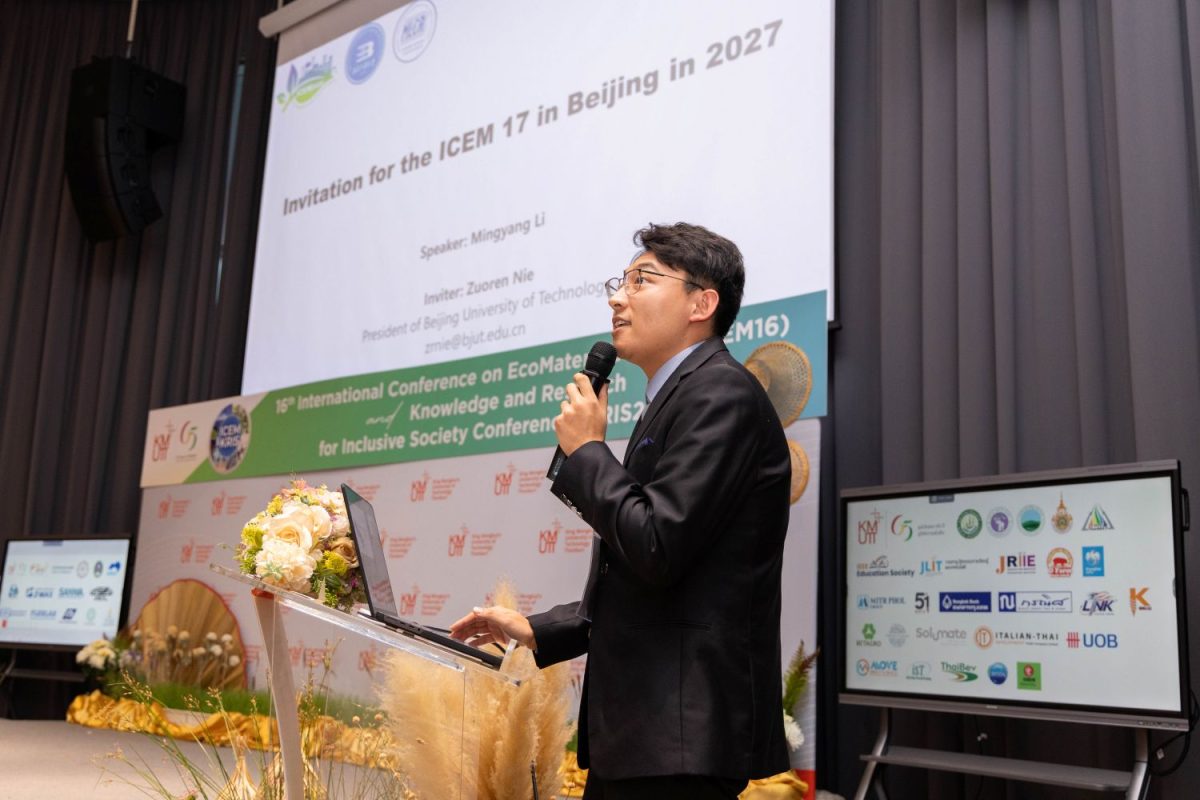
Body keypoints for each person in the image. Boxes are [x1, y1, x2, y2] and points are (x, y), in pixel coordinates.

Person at [450, 222, 791, 799]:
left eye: (641, 280)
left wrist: (588, 450)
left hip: (679, 738)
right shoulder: (679, 397)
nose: (617, 298)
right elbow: (650, 573)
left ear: (701, 304)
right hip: (648, 737)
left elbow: (655, 545)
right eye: (620, 282)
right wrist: (538, 629)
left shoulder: (720, 393)